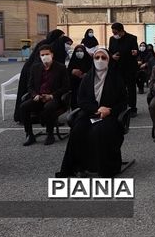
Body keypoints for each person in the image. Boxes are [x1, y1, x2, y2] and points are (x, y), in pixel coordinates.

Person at [57, 48, 127, 177]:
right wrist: (96, 109)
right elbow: (81, 100)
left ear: (109, 60)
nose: (100, 60)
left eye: (103, 58)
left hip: (109, 115)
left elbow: (123, 101)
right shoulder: (88, 77)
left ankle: (103, 167)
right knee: (78, 130)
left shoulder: (116, 77)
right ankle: (79, 166)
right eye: (97, 57)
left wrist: (109, 110)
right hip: (90, 113)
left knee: (99, 130)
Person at [20, 45, 69, 146]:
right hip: (38, 97)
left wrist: (51, 96)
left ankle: (50, 134)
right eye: (42, 55)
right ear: (39, 56)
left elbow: (66, 87)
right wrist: (34, 95)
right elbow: (30, 85)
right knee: (23, 107)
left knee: (48, 107)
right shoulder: (35, 68)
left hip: (53, 98)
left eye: (47, 54)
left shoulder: (61, 68)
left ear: (52, 54)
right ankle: (29, 135)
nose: (45, 56)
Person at [14, 29, 65, 122]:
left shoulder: (52, 44)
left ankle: (42, 117)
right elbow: (38, 61)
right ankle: (29, 117)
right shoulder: (46, 45)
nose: (62, 39)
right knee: (29, 94)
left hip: (33, 70)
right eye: (61, 37)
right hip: (31, 71)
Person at [108, 22, 139, 116]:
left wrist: (135, 52)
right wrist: (112, 56)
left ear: (121, 31)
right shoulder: (112, 39)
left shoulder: (132, 38)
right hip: (117, 68)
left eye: (116, 33)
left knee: (131, 89)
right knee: (118, 89)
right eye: (113, 33)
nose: (114, 35)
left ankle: (132, 108)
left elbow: (135, 51)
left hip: (129, 67)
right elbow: (110, 51)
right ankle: (121, 107)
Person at [67, 44, 93, 109]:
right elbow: (67, 75)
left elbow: (93, 71)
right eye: (77, 51)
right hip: (75, 88)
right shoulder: (72, 62)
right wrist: (72, 71)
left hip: (87, 88)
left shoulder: (89, 61)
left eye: (81, 51)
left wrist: (87, 75)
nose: (79, 53)